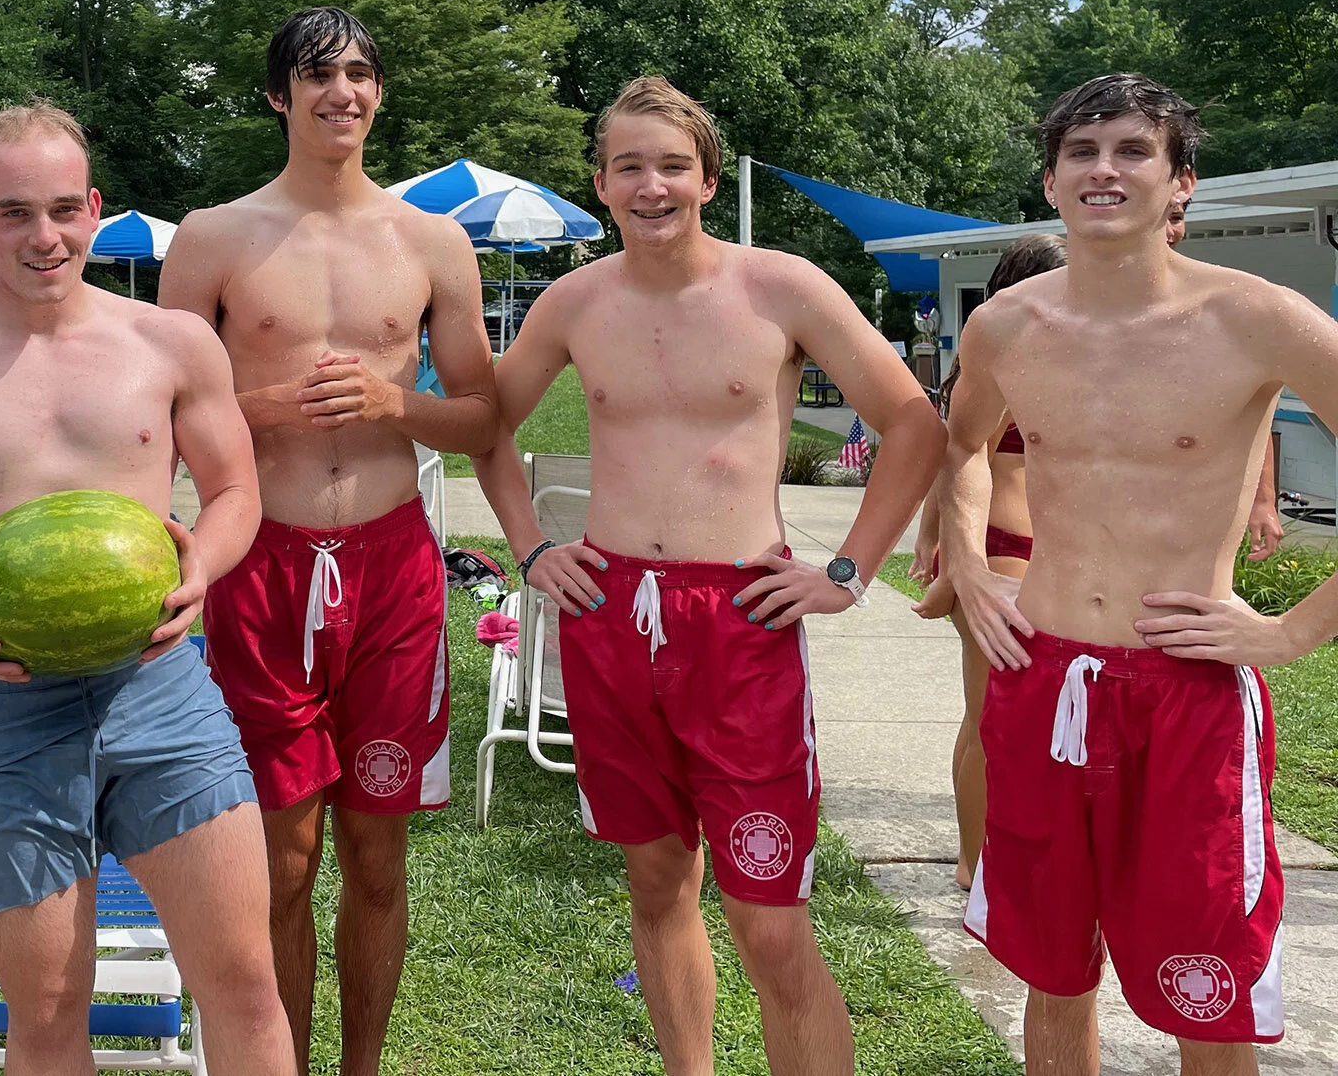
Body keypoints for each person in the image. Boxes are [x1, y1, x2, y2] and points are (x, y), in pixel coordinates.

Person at [470, 76, 944, 1076]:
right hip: (610, 617)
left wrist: (848, 571)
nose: (652, 187)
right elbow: (486, 428)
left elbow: (913, 423)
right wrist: (531, 548)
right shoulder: (575, 301)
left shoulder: (781, 287)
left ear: (708, 179)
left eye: (672, 167)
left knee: (769, 920)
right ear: (601, 185)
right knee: (655, 885)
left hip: (739, 622)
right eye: (629, 167)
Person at [0, 100, 294, 1075]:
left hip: (162, 697)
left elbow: (235, 491)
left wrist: (201, 563)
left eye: (65, 209)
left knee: (245, 984)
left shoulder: (171, 344)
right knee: (43, 1014)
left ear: (95, 207)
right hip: (7, 716)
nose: (45, 236)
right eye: (15, 213)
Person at [939, 73, 1338, 1071]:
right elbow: (962, 447)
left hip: (1186, 691)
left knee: (1207, 991)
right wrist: (969, 565)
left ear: (1180, 183)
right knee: (1053, 972)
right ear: (1050, 181)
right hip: (1042, 676)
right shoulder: (1005, 325)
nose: (1102, 170)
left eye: (1131, 151)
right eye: (1080, 152)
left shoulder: (1259, 319)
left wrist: (1292, 630)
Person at [159, 7, 498, 1076]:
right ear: (278, 95)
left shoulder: (431, 242)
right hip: (261, 564)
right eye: (316, 74)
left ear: (379, 92)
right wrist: (268, 406)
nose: (339, 92)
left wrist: (398, 404)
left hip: (394, 570)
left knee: (378, 854)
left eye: (358, 72)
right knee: (283, 859)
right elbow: (160, 411)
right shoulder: (213, 238)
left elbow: (482, 417)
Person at [910, 234, 1068, 888]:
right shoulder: (1007, 357)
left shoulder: (1057, 356)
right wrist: (947, 549)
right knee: (990, 721)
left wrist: (929, 536)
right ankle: (975, 865)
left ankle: (986, 857)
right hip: (1000, 552)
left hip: (1030, 552)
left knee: (1000, 719)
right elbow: (960, 457)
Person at [1167, 204, 1286, 562]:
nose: (1167, 231)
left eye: (1175, 218)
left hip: (1190, 511)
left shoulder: (1217, 306)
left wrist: (1263, 499)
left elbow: (1253, 402)